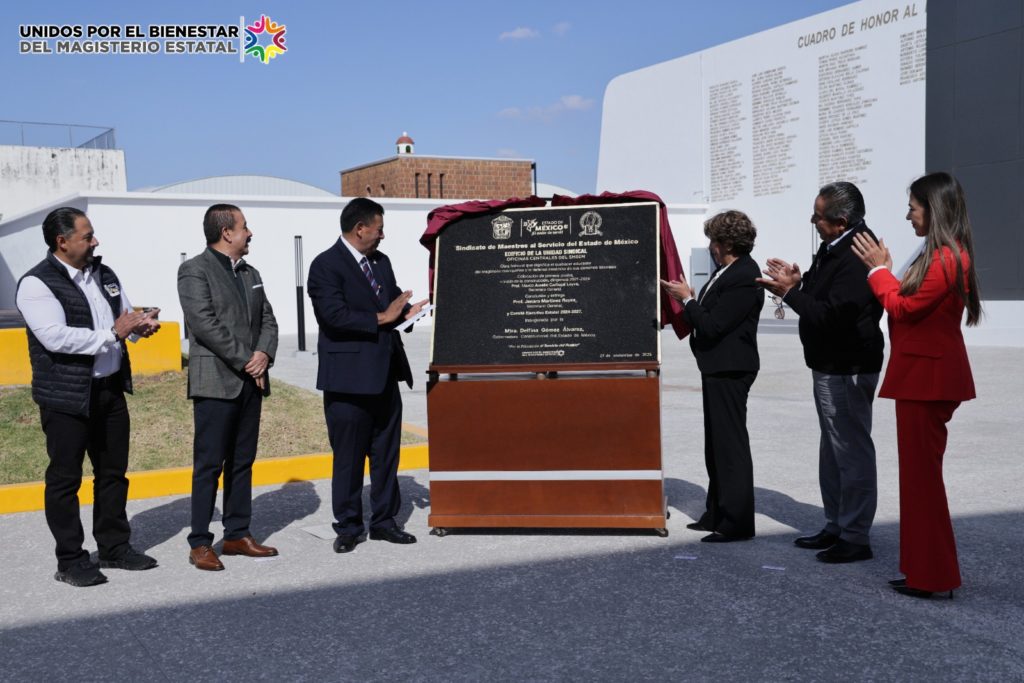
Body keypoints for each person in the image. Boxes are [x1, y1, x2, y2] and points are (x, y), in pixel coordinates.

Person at [16, 206, 160, 587]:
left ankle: (114, 548)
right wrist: (114, 333)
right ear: (62, 242)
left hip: (109, 391)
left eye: (93, 234)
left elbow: (122, 316)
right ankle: (71, 560)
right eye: (87, 236)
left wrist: (139, 327)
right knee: (65, 480)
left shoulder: (104, 273)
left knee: (113, 474)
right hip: (66, 397)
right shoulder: (36, 283)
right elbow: (56, 336)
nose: (95, 242)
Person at [851, 172, 980, 599]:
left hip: (927, 381)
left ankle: (933, 576)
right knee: (919, 481)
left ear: (934, 208)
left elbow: (903, 308)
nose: (908, 215)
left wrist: (878, 272)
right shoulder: (939, 253)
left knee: (922, 483)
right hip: (923, 378)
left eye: (913, 207)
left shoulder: (946, 257)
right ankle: (924, 570)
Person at [756, 182, 884, 563]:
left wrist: (790, 293)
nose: (812, 221)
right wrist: (798, 282)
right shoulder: (837, 247)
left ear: (840, 220)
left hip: (848, 366)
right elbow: (820, 293)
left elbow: (832, 315)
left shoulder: (859, 252)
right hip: (829, 364)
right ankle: (837, 524)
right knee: (832, 450)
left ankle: (856, 536)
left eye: (817, 216)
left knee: (851, 450)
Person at [308, 197, 427, 553]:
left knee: (386, 453)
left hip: (384, 374)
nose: (383, 236)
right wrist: (384, 318)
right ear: (360, 229)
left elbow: (391, 303)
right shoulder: (325, 266)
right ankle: (348, 526)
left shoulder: (380, 262)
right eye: (379, 228)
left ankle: (384, 522)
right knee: (348, 456)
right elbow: (334, 317)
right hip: (347, 379)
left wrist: (410, 311)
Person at [177, 204, 279, 571]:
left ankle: (237, 534)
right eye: (245, 227)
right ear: (227, 233)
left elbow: (268, 318)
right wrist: (247, 360)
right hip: (216, 383)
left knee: (242, 462)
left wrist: (264, 353)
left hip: (250, 383)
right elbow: (203, 323)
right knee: (209, 465)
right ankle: (200, 542)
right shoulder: (194, 271)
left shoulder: (250, 272)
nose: (249, 233)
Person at [661, 210, 764, 542]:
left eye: (714, 241)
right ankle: (717, 511)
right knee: (716, 445)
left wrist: (687, 299)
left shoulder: (744, 275)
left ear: (727, 244)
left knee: (730, 446)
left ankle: (736, 522)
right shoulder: (727, 271)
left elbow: (714, 324)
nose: (711, 248)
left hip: (731, 368)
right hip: (717, 367)